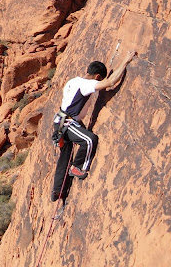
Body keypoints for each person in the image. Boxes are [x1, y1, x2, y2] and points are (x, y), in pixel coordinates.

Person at [50, 51, 136, 202]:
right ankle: (77, 167)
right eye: (99, 80)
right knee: (89, 140)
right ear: (97, 77)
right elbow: (110, 83)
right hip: (68, 123)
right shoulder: (87, 84)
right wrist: (125, 62)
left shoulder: (73, 81)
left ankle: (58, 190)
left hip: (60, 121)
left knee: (65, 154)